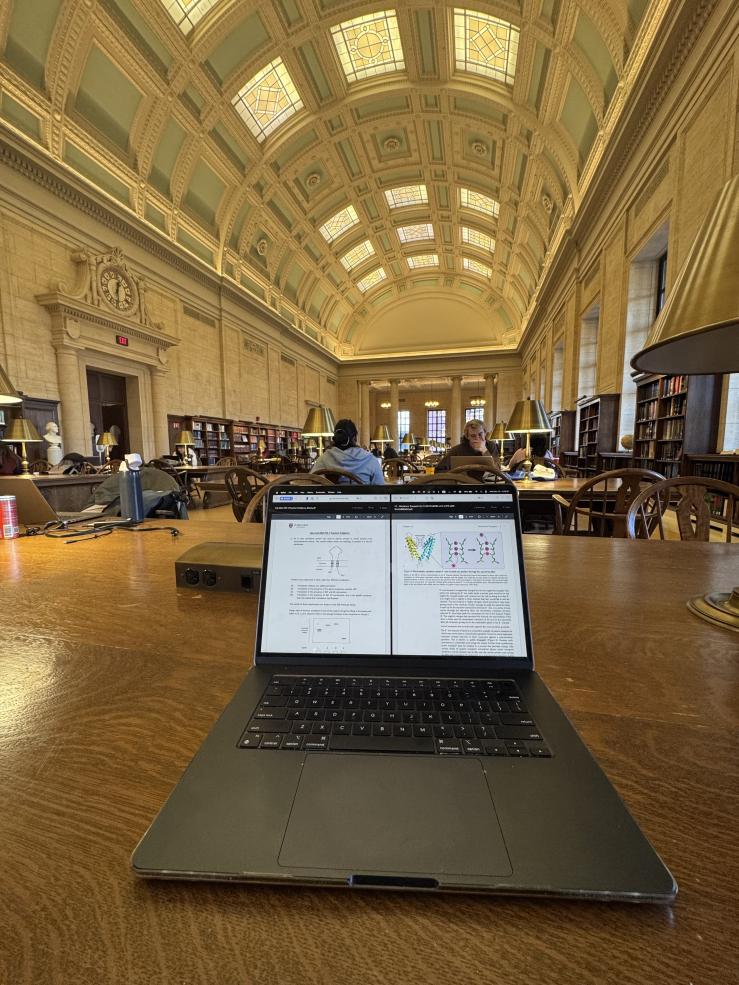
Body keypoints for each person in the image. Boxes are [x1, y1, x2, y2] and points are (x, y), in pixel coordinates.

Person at [311, 419, 384, 484]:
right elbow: (380, 488)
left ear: (335, 438)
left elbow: (311, 481)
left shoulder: (324, 458)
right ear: (355, 438)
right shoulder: (370, 459)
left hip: (332, 499)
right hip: (361, 498)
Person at [435, 419, 499, 472]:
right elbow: (438, 470)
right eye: (473, 435)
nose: (477, 438)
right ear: (467, 436)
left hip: (487, 485)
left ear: (485, 433)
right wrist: (455, 475)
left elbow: (497, 470)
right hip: (462, 485)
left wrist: (484, 450)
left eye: (480, 434)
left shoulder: (491, 446)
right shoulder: (457, 450)